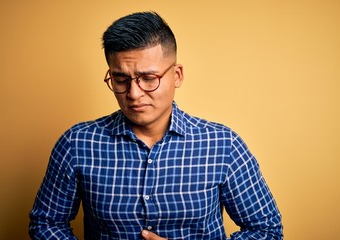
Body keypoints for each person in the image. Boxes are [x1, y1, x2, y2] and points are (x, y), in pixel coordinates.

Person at [29, 11, 283, 239]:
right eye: (120, 79)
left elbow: (266, 230)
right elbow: (46, 223)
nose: (134, 93)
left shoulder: (223, 145)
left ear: (177, 75)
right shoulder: (77, 143)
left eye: (148, 78)